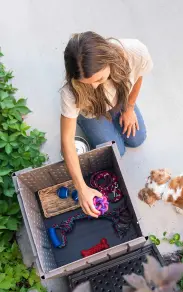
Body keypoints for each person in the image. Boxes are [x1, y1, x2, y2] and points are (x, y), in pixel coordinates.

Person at [60, 31, 153, 217]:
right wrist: (81, 187)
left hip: (120, 100)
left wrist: (129, 108)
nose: (94, 87)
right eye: (85, 83)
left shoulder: (135, 51)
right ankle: (85, 119)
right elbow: (67, 142)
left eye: (99, 80)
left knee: (137, 138)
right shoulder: (70, 92)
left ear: (109, 60)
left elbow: (138, 78)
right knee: (117, 151)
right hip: (92, 111)